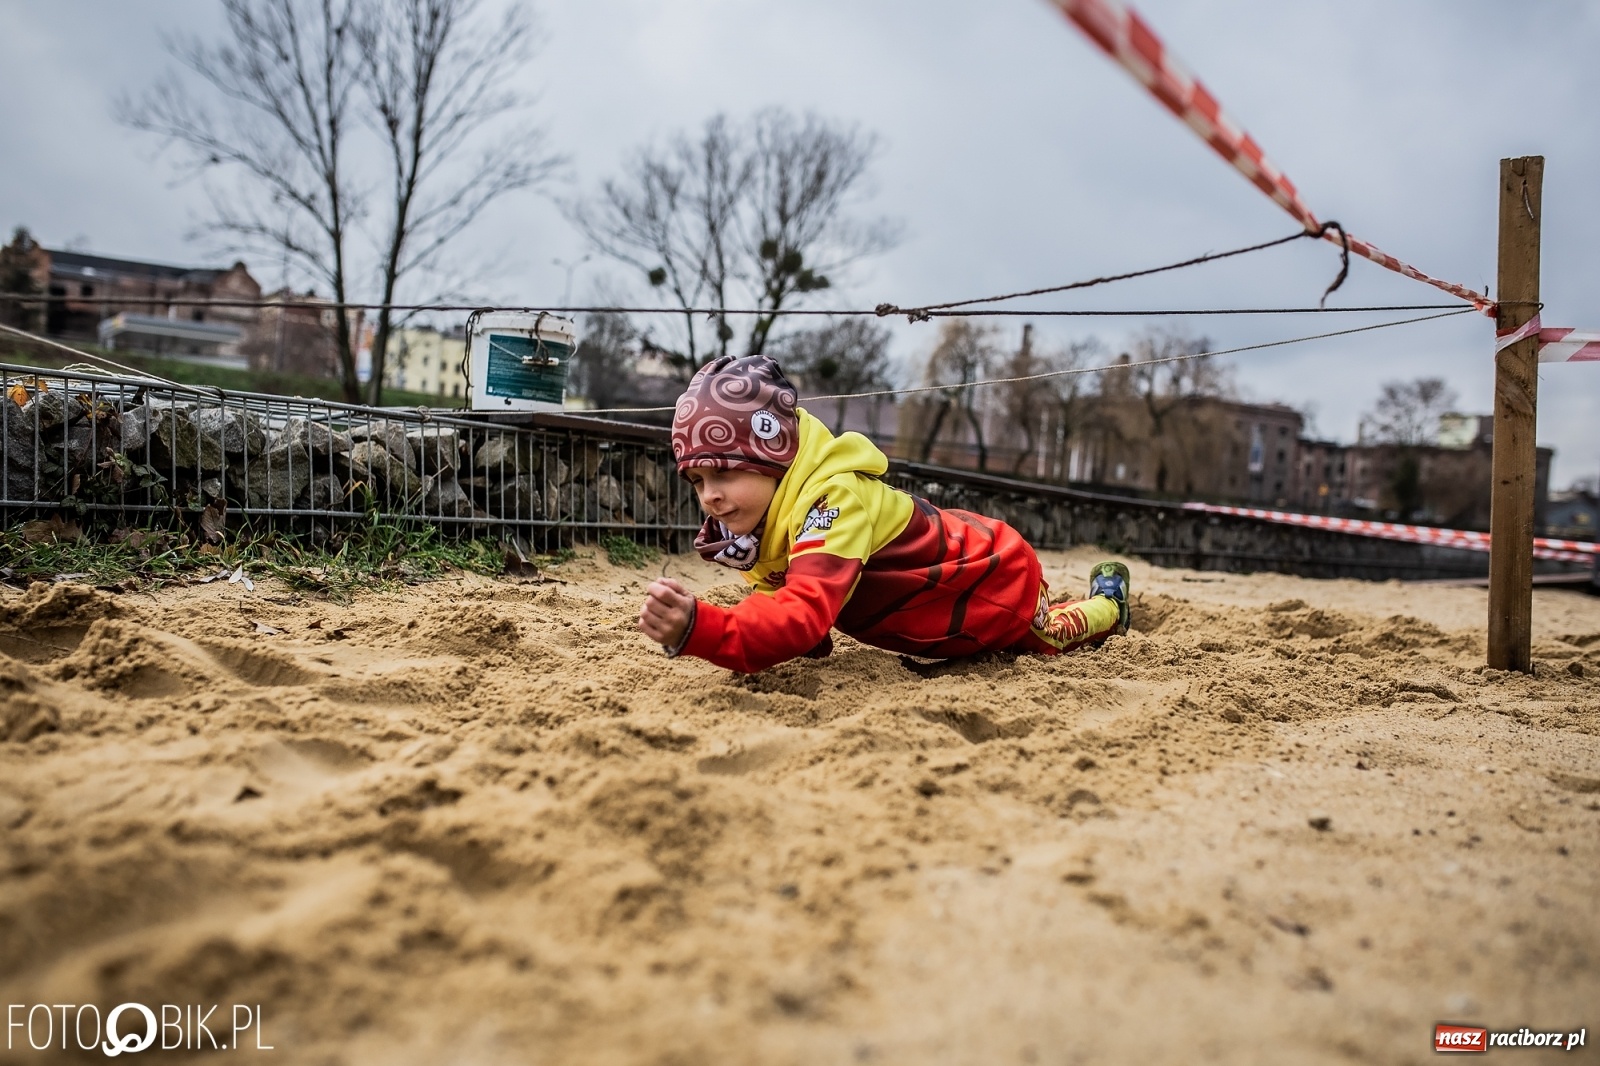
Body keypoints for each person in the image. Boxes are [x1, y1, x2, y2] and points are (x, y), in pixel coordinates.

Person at [637, 354, 1131, 674]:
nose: (709, 496)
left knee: (1047, 636)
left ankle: (1109, 601)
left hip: (990, 579)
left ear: (772, 459)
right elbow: (801, 622)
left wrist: (700, 629)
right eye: (698, 480)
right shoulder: (757, 529)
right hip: (928, 612)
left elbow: (805, 614)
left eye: (724, 473)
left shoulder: (831, 504)